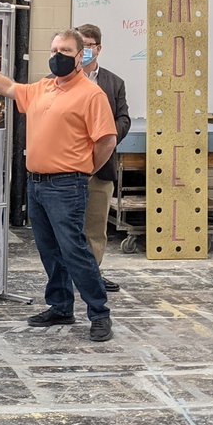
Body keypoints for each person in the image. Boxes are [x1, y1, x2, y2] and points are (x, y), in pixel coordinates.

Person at [0, 29, 117, 341]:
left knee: (74, 251)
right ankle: (60, 306)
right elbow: (9, 87)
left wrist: (84, 170)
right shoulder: (43, 88)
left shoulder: (91, 94)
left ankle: (99, 313)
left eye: (65, 51)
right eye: (54, 50)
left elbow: (107, 141)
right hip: (37, 185)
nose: (58, 56)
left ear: (80, 56)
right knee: (49, 251)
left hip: (67, 185)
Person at [74, 24, 131, 292]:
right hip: (68, 166)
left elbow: (123, 119)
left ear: (99, 48)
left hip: (101, 166)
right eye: (80, 44)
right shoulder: (56, 79)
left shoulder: (114, 82)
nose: (86, 50)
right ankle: (67, 276)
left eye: (90, 44)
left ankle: (92, 276)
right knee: (66, 227)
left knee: (96, 226)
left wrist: (106, 138)